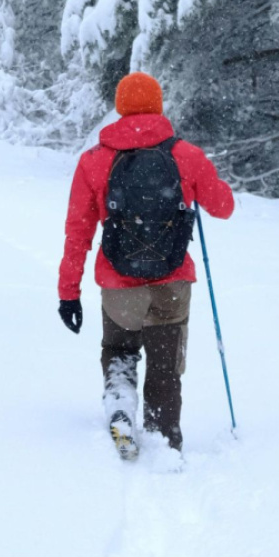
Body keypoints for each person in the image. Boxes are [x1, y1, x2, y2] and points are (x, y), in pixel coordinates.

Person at [57, 72, 235, 456]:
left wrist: (68, 293)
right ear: (158, 105)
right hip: (172, 281)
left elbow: (78, 233)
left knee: (120, 351)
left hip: (119, 284)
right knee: (165, 366)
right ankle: (164, 439)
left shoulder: (93, 161)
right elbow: (224, 208)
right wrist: (201, 183)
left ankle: (120, 405)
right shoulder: (184, 155)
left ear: (120, 106)